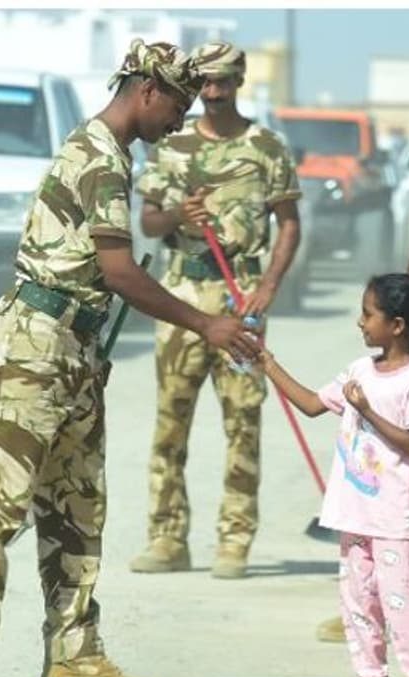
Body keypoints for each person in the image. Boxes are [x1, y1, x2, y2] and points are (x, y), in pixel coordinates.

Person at [0, 39, 261, 677]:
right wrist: (207, 324)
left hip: (75, 350)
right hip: (34, 348)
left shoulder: (114, 155)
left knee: (78, 512)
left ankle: (75, 660)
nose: (180, 119)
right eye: (178, 105)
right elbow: (121, 273)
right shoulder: (98, 159)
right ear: (147, 91)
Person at [127, 41, 302, 580]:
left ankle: (235, 537)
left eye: (224, 81)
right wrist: (180, 212)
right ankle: (167, 536)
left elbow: (289, 223)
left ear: (240, 80)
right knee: (171, 421)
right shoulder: (172, 144)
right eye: (205, 82)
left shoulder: (267, 146)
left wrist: (269, 286)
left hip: (240, 296)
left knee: (243, 422)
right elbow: (149, 222)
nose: (214, 91)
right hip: (182, 296)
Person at [260, 274, 409, 677]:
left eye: (368, 314)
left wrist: (365, 410)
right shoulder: (360, 370)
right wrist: (266, 362)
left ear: (396, 325)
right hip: (355, 515)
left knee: (402, 608)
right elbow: (310, 403)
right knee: (359, 606)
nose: (359, 322)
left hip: (393, 519)